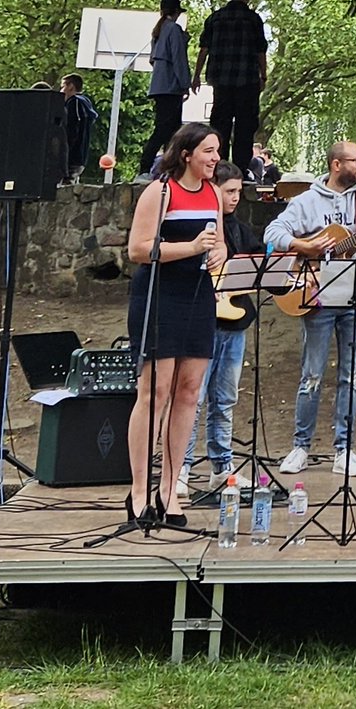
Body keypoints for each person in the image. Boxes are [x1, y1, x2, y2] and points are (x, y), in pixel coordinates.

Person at [265, 142, 356, 477]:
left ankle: (344, 449)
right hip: (316, 295)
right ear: (335, 164)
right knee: (312, 374)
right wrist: (305, 245)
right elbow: (273, 233)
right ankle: (301, 446)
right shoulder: (305, 202)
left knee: (351, 376)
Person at [125, 122, 225, 527]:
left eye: (217, 152)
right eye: (208, 151)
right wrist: (191, 247)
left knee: (188, 392)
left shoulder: (215, 193)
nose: (215, 159)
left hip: (199, 296)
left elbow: (217, 242)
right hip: (160, 294)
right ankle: (137, 490)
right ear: (186, 154)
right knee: (156, 391)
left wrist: (219, 254)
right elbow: (137, 249)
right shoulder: (161, 191)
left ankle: (170, 488)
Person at [178, 160, 263, 497]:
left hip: (235, 321)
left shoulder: (239, 229)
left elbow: (259, 262)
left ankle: (221, 468)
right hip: (200, 322)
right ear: (213, 189)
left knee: (225, 399)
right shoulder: (198, 226)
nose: (235, 198)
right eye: (229, 191)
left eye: (239, 192)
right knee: (192, 398)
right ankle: (180, 467)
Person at [192, 0, 267, 175]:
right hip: (247, 80)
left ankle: (219, 167)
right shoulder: (253, 19)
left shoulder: (215, 18)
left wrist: (196, 75)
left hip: (221, 81)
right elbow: (261, 50)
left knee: (220, 125)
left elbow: (204, 49)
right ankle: (240, 171)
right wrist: (264, 76)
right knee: (245, 126)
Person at [140, 0, 192, 177]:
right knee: (166, 130)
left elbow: (153, 59)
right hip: (171, 87)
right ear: (176, 12)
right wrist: (185, 84)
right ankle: (146, 167)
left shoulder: (158, 32)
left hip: (158, 86)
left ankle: (167, 168)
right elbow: (178, 59)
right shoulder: (174, 29)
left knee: (169, 129)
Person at [60, 74, 98, 184]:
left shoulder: (74, 102)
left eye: (63, 87)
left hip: (71, 156)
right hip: (80, 157)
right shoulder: (85, 103)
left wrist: (64, 150)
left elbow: (72, 127)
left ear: (71, 86)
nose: (61, 91)